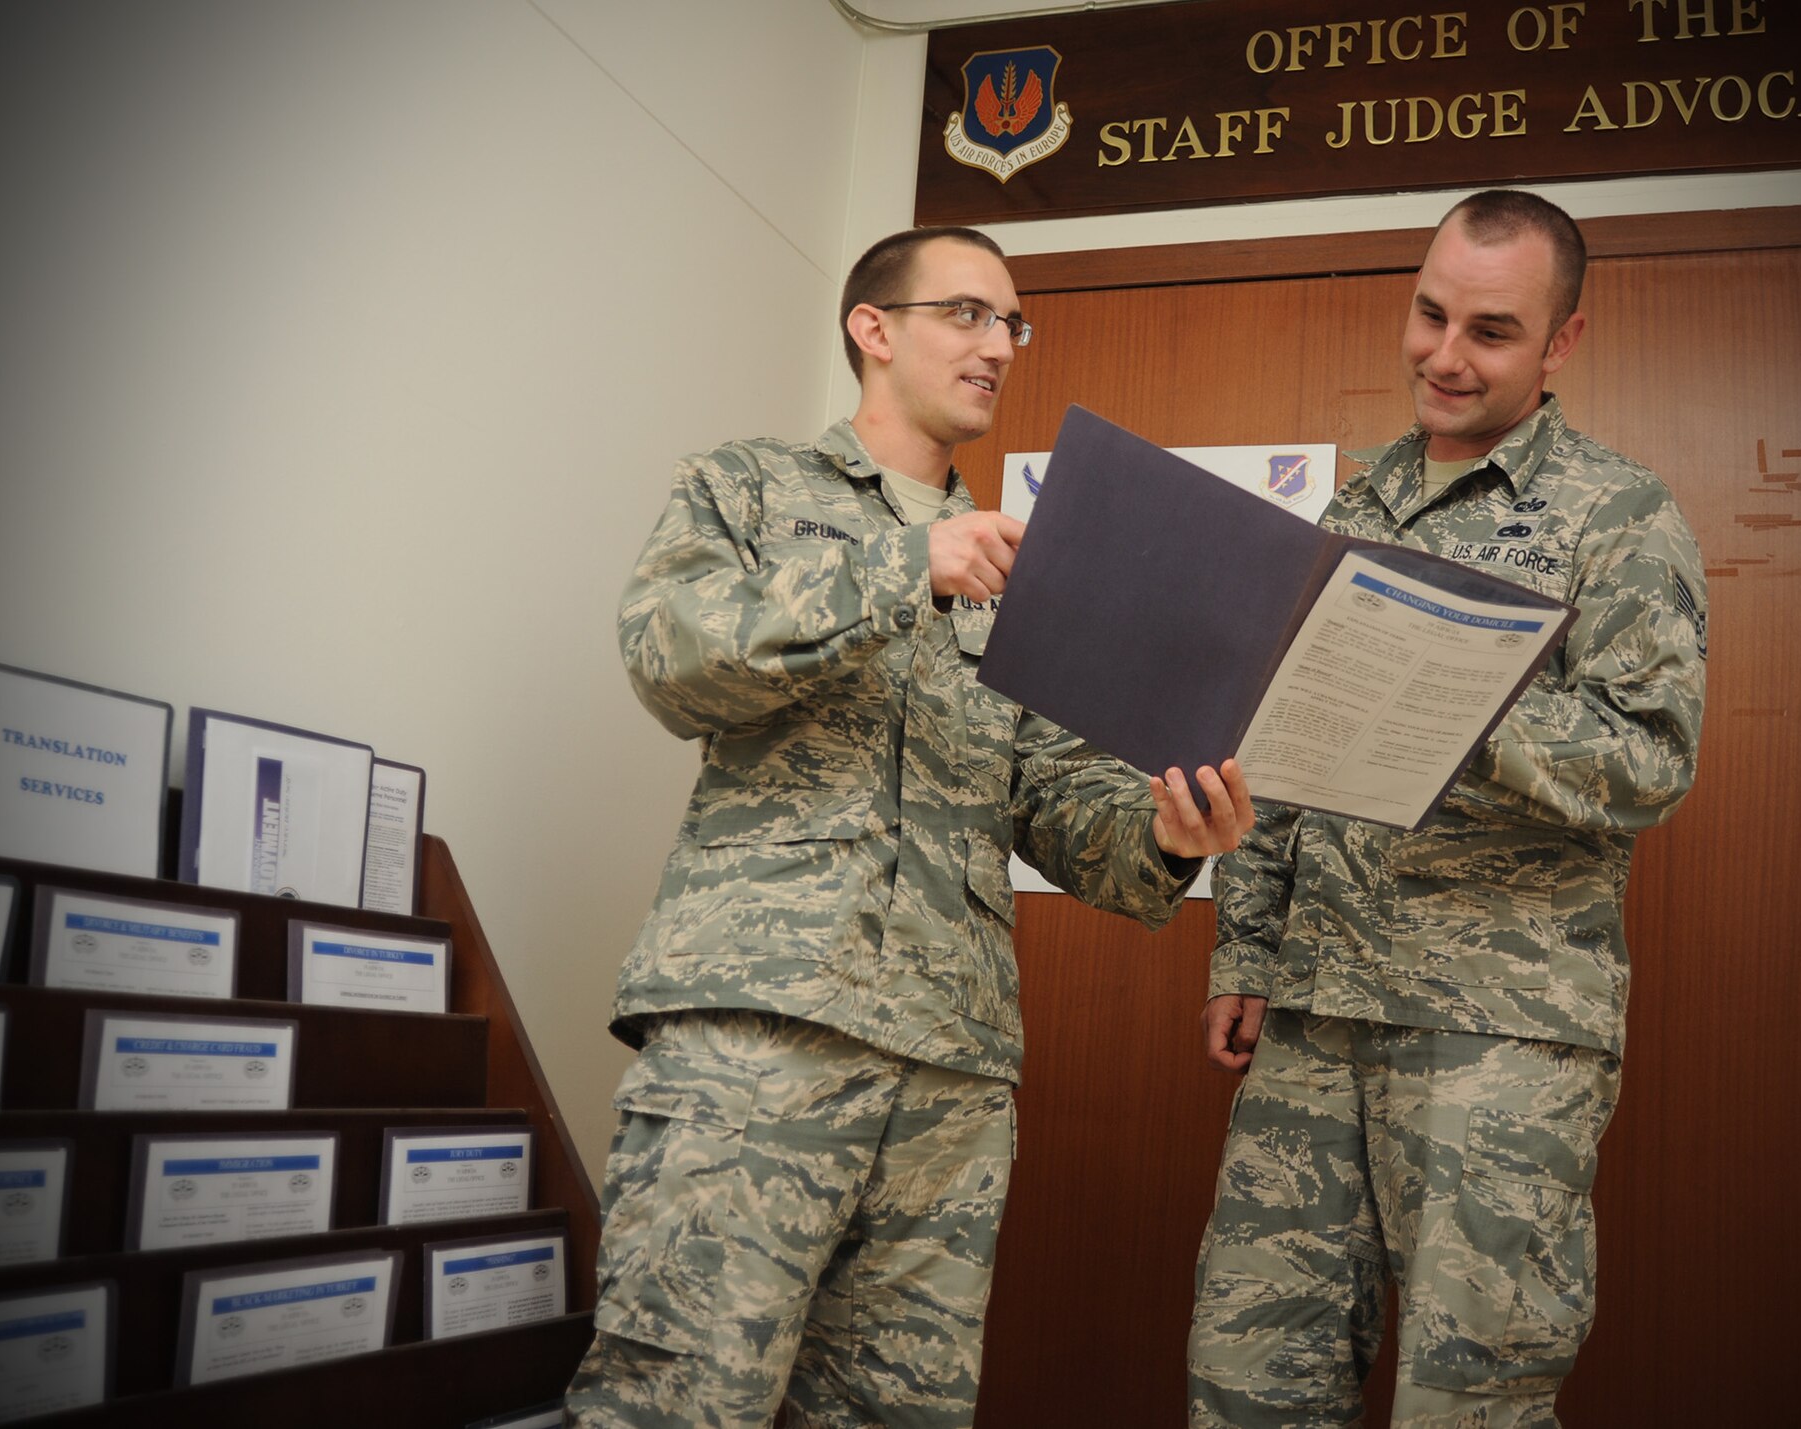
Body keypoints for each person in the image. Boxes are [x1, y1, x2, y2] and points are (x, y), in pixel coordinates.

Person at [567, 225, 1254, 1429]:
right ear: (871, 329)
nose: (997, 345)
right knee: (678, 1399)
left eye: (1010, 323)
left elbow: (1047, 796)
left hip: (950, 1062)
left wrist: (1166, 839)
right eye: (965, 314)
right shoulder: (750, 486)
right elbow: (670, 657)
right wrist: (902, 565)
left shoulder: (1023, 572)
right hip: (765, 1023)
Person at [1188, 190, 1708, 1427]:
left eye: (1487, 330)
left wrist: (1459, 702)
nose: (1441, 355)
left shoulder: (1617, 515)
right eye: (1427, 314)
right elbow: (1279, 751)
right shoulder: (1349, 510)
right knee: (1245, 1382)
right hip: (1312, 1017)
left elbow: (1649, 762)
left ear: (1558, 343)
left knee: (1465, 1401)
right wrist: (1244, 949)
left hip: (1499, 1034)